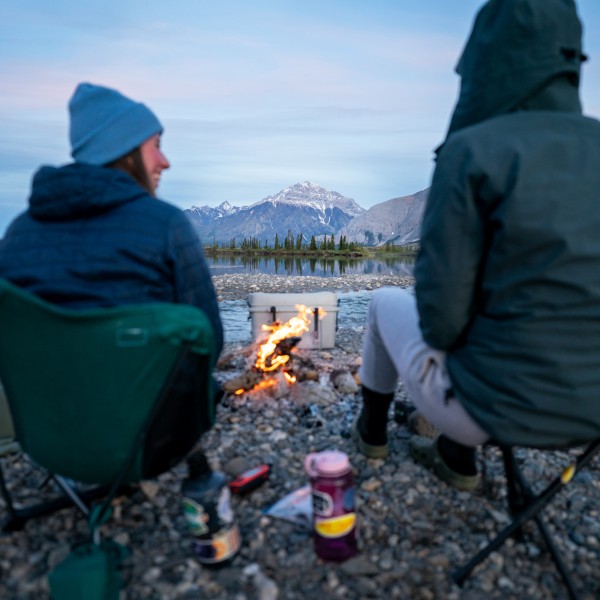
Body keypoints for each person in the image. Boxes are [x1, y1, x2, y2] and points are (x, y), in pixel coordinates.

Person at [353, 0, 600, 491]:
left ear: (486, 57)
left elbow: (440, 325)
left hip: (493, 409)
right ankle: (451, 454)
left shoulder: (473, 150)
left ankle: (372, 435)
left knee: (384, 301)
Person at [0, 82, 224, 476]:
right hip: (150, 445)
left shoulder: (18, 232)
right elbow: (211, 342)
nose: (165, 161)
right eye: (156, 145)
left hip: (44, 440)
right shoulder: (165, 225)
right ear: (125, 151)